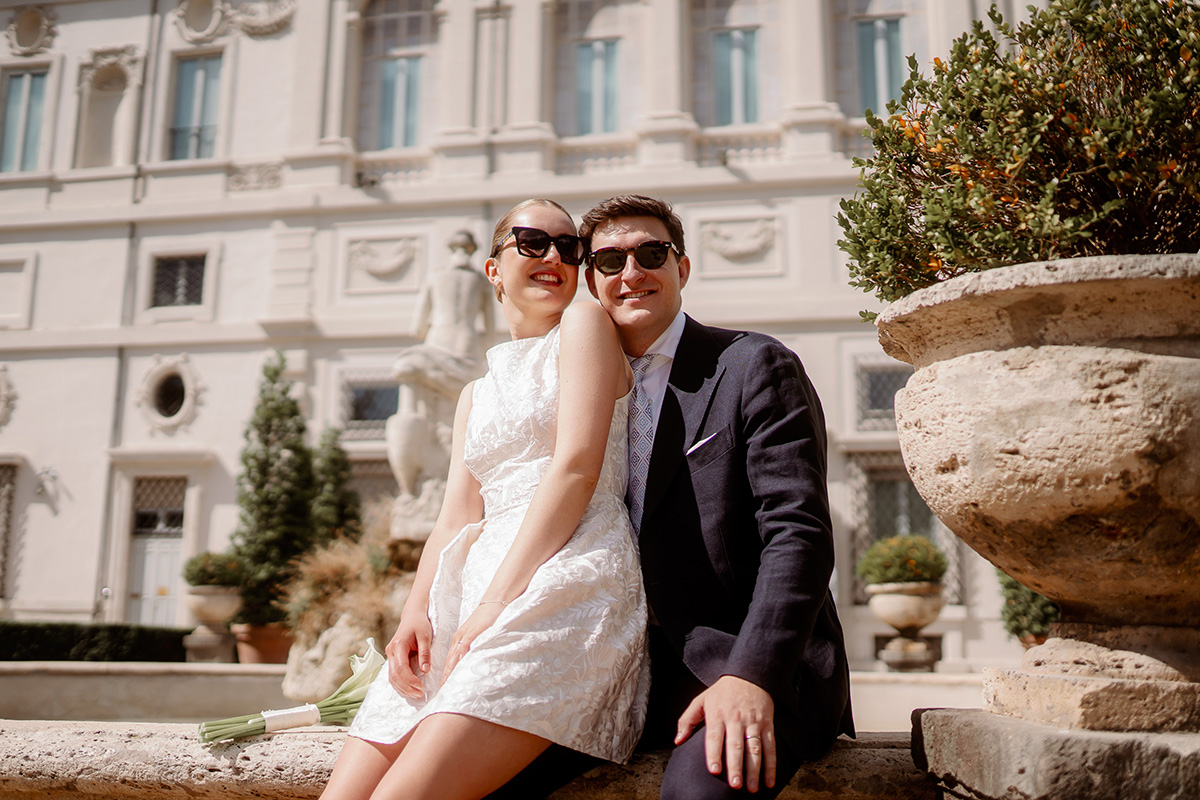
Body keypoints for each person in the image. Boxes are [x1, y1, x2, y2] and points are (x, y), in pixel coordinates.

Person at [321, 199, 649, 800]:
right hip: (468, 593)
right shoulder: (475, 391)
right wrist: (416, 613)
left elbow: (576, 469)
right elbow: (454, 519)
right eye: (531, 242)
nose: (553, 256)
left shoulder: (584, 325)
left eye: (567, 246)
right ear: (494, 269)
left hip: (564, 579)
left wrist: (497, 600)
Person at [580, 194, 854, 799]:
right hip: (620, 678)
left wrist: (752, 676)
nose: (632, 272)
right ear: (591, 280)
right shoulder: (578, 391)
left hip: (753, 661)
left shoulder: (754, 364)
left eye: (652, 253)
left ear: (681, 268)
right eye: (609, 260)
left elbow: (798, 533)